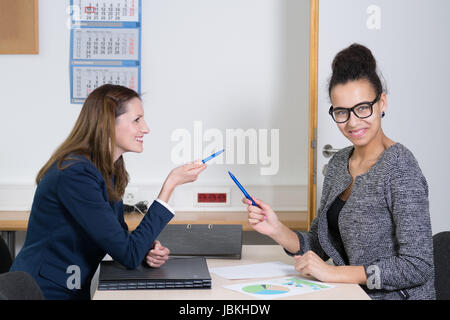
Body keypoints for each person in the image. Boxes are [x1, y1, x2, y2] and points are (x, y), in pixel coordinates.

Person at [244, 44, 435, 300]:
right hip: (348, 293)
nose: (353, 121)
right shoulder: (338, 163)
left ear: (382, 103)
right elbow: (320, 246)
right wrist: (277, 229)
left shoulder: (400, 167)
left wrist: (336, 274)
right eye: (342, 112)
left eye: (363, 107)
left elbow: (417, 266)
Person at [10, 84, 207, 299]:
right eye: (137, 120)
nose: (146, 128)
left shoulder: (106, 170)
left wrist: (145, 249)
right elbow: (127, 255)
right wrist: (170, 185)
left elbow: (119, 241)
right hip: (43, 292)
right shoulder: (75, 174)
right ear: (108, 122)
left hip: (69, 286)